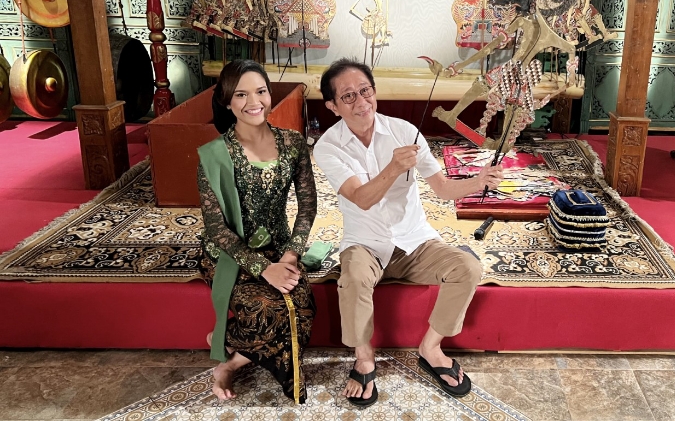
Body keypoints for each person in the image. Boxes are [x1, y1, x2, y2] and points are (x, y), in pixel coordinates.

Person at [313, 58, 503, 407]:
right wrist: (393, 166)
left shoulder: (405, 131)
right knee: (353, 278)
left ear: (375, 92)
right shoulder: (328, 147)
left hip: (414, 241)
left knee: (468, 267)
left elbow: (442, 188)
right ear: (332, 106)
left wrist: (478, 181)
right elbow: (362, 198)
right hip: (365, 243)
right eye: (349, 96)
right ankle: (364, 358)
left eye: (365, 91)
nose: (361, 102)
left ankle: (430, 348)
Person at [197, 59, 317, 404]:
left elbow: (308, 205)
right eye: (241, 94)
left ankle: (230, 359)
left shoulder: (293, 143)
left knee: (304, 308)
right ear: (226, 101)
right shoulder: (214, 155)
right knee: (266, 309)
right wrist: (265, 269)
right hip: (228, 254)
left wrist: (290, 255)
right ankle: (230, 347)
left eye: (261, 91)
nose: (254, 102)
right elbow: (216, 229)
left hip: (280, 249)